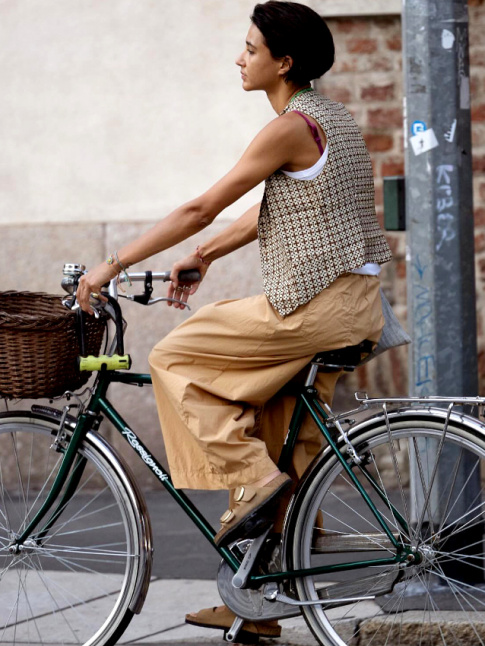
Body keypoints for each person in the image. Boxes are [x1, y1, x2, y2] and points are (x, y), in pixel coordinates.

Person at [77, 0, 392, 639]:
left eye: (251, 49)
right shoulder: (331, 120)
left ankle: (252, 482)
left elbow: (200, 206)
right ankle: (257, 602)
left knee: (176, 356)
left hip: (316, 305)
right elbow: (265, 211)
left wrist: (111, 264)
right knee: (275, 431)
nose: (240, 58)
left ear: (284, 62)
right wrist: (205, 255)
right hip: (352, 306)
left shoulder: (291, 125)